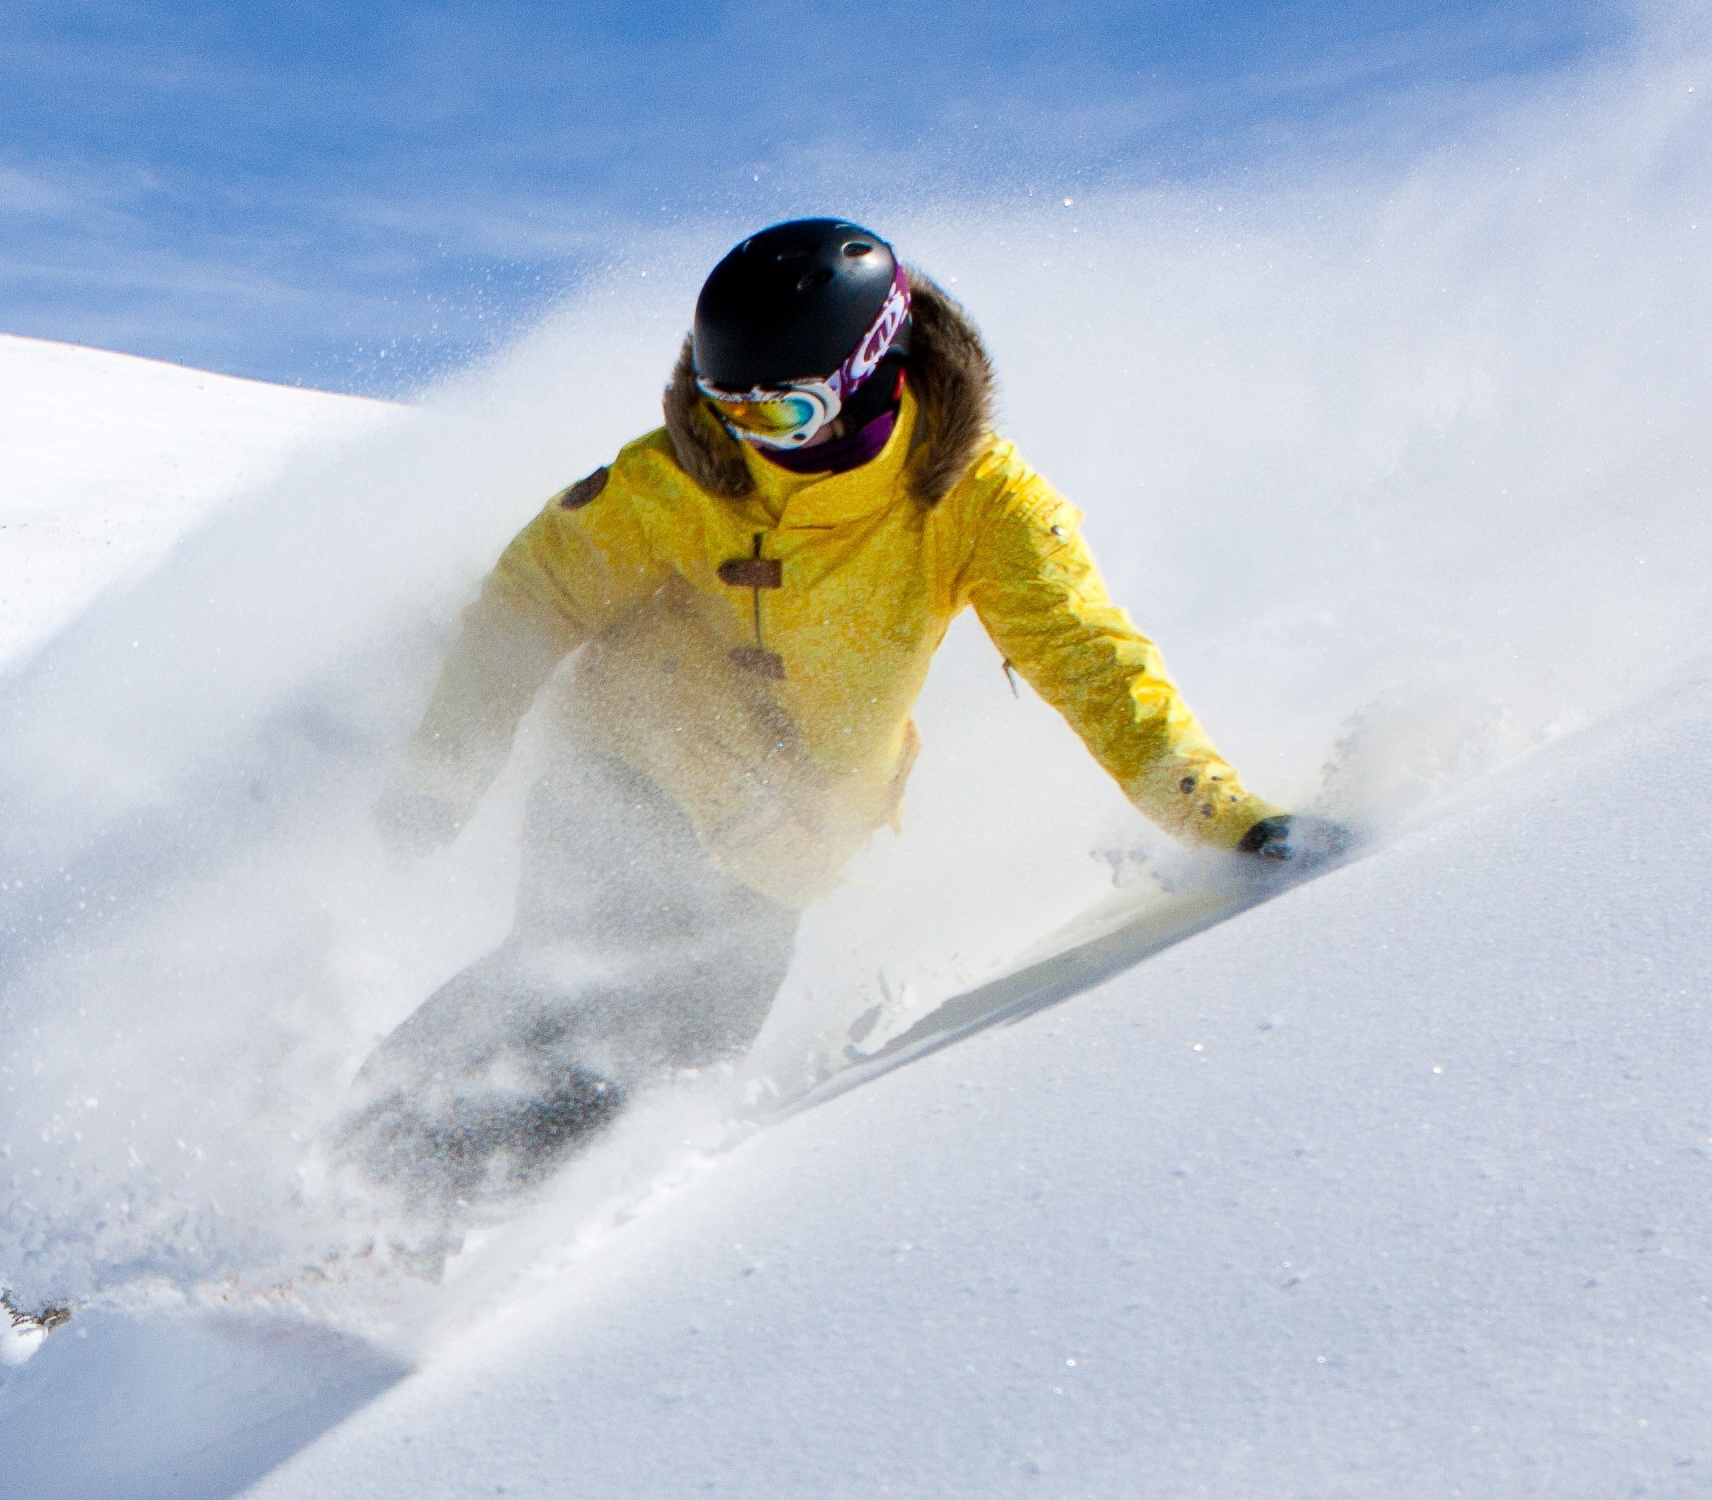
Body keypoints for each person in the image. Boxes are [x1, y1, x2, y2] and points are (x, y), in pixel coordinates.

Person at [335, 215, 1321, 1206]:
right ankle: (358, 1186)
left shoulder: (978, 501)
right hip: (632, 764)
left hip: (785, 842)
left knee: (673, 1059)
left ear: (867, 374)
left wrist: (1216, 809)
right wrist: (443, 775)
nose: (751, 442)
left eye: (785, 417)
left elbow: (1089, 659)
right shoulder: (674, 478)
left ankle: (435, 1224)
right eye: (729, 410)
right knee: (572, 976)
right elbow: (527, 601)